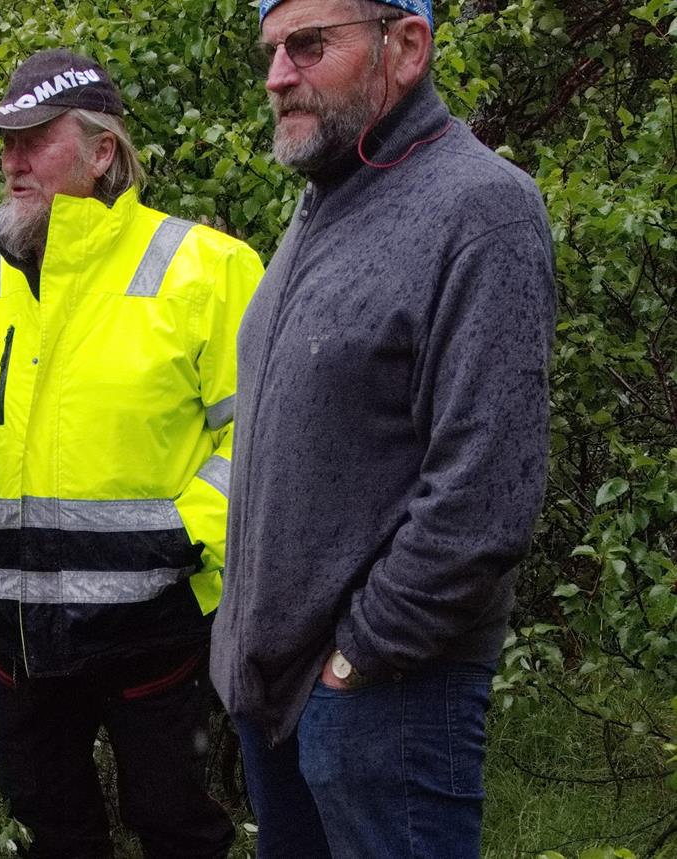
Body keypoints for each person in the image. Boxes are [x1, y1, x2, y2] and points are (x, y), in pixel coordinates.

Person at [209, 0, 555, 854]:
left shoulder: (483, 208)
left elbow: (485, 491)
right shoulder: (324, 202)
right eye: (272, 51)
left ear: (407, 46)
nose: (277, 76)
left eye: (308, 45)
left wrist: (357, 660)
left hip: (387, 698)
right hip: (279, 697)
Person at [0, 48, 263, 859]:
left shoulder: (207, 269)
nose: (11, 158)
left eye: (35, 136)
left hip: (160, 628)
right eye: (4, 139)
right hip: (18, 635)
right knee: (51, 822)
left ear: (103, 150)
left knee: (178, 826)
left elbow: (255, 437)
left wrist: (185, 534)